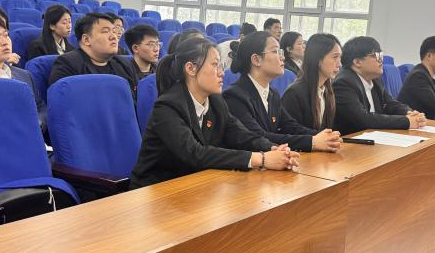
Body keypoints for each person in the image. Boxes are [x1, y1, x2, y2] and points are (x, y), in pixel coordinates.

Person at [130, 37, 300, 189]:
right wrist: (261, 159)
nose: (221, 72)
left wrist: (273, 150)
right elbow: (195, 153)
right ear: (191, 68)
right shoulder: (167, 106)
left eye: (221, 66)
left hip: (195, 186)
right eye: (215, 65)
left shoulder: (216, 102)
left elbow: (241, 135)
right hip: (157, 191)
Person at [223, 31, 341, 152]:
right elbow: (259, 136)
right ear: (256, 59)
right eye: (275, 51)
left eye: (281, 52)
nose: (282, 57)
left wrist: (325, 136)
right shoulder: (234, 96)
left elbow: (290, 126)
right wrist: (312, 141)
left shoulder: (272, 93)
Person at [333, 36, 426, 136]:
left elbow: (391, 104)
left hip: (374, 136)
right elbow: (363, 119)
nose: (381, 60)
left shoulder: (376, 80)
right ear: (357, 62)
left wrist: (409, 113)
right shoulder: (344, 83)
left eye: (381, 55)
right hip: (351, 140)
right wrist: (406, 121)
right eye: (376, 56)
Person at [48, 12, 137, 96]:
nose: (114, 37)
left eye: (114, 31)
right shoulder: (67, 64)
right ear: (86, 39)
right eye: (105, 31)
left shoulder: (125, 65)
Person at [282, 34, 343, 140]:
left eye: (340, 57)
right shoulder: (294, 93)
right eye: (335, 57)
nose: (339, 64)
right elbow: (290, 131)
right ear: (318, 59)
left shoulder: (327, 90)